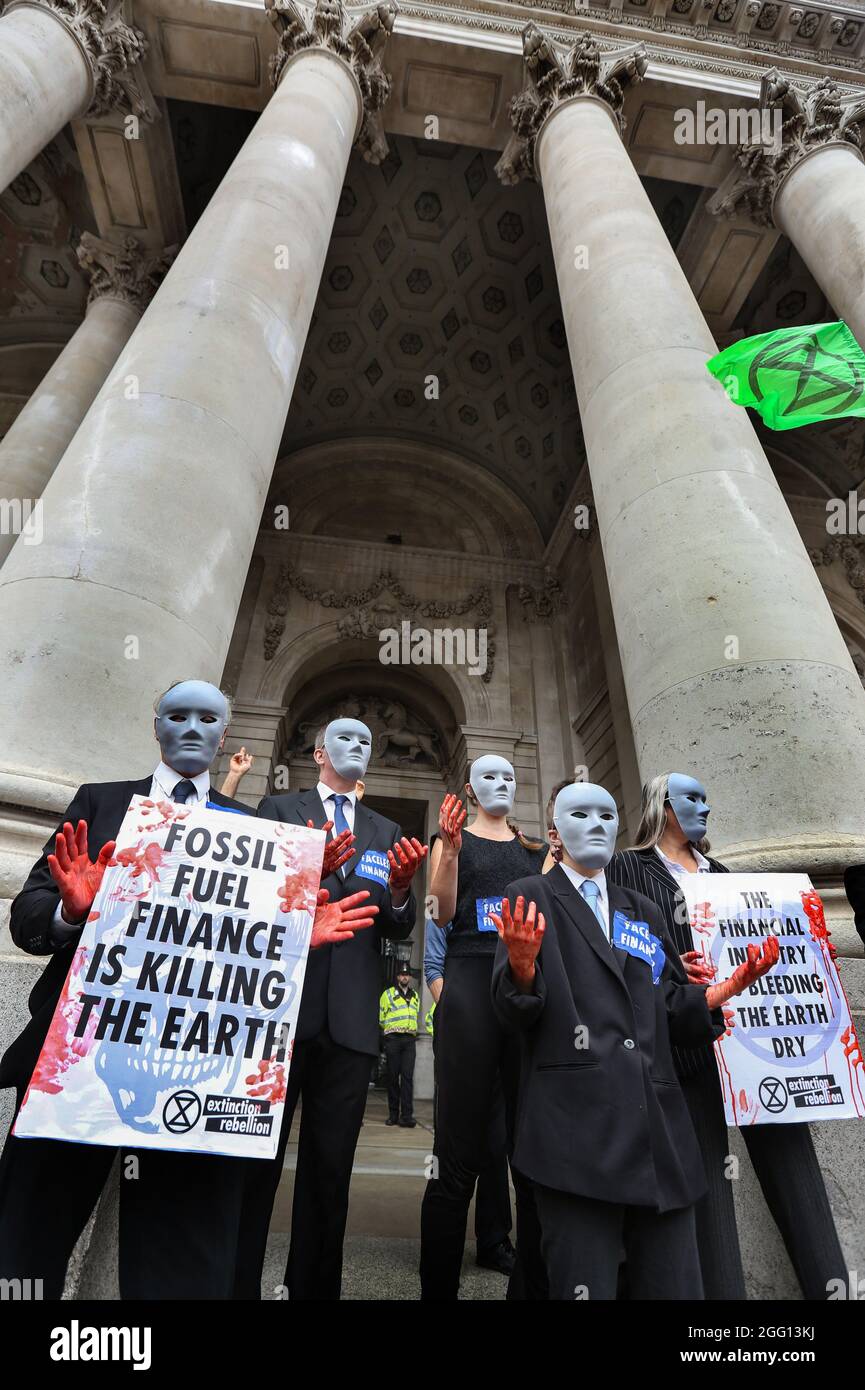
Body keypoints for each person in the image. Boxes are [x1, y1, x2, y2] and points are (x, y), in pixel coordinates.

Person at [0, 680, 374, 1300]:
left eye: (209, 718)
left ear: (226, 734)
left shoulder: (256, 832)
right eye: (178, 715)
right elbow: (30, 917)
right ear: (156, 727)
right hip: (76, 1062)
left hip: (198, 1079)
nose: (193, 728)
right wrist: (75, 911)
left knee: (182, 1262)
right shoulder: (101, 802)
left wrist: (288, 938)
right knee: (23, 1248)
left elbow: (258, 953)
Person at [491, 780, 779, 1300]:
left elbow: (667, 1002)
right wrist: (521, 967)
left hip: (658, 1134)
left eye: (607, 814)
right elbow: (512, 1012)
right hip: (574, 1137)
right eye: (581, 814)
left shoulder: (641, 908)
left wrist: (715, 995)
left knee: (674, 1287)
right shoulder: (528, 897)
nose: (598, 823)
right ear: (554, 833)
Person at [607, 772, 848, 1300]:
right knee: (711, 1191)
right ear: (663, 806)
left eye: (707, 798)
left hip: (756, 1050)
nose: (706, 808)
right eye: (693, 798)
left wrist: (809, 944)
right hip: (688, 1046)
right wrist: (673, 971)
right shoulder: (628, 866)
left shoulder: (725, 874)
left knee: (797, 1174)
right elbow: (624, 947)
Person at [233, 717, 429, 1301]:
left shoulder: (384, 827)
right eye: (346, 739)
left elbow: (396, 925)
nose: (360, 748)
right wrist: (304, 879)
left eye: (368, 741)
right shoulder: (278, 809)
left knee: (330, 1171)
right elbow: (250, 895)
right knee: (256, 1165)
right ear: (318, 752)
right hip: (279, 1014)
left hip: (349, 1023)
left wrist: (399, 890)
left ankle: (314, 1288)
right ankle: (236, 1283)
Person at [419, 754, 547, 1300]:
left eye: (510, 777)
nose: (502, 784)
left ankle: (526, 1278)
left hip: (523, 983)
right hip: (469, 978)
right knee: (457, 1145)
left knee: (529, 1143)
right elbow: (440, 912)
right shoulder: (447, 841)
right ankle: (437, 1289)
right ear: (469, 789)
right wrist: (448, 850)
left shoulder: (536, 850)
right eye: (490, 777)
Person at [425, 916, 516, 1276]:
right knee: (454, 1142)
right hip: (462, 1029)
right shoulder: (450, 891)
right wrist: (461, 1017)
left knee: (497, 1141)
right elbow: (433, 966)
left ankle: (493, 1240)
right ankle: (444, 1244)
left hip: (506, 1030)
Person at [379, 965, 420, 1127]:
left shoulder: (415, 996)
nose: (405, 977)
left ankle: (407, 1116)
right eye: (402, 974)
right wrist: (390, 1033)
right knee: (393, 1077)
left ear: (409, 978)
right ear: (397, 977)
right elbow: (381, 1017)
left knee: (408, 1078)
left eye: (407, 975)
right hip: (393, 1040)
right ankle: (393, 1115)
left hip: (409, 1040)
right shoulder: (387, 994)